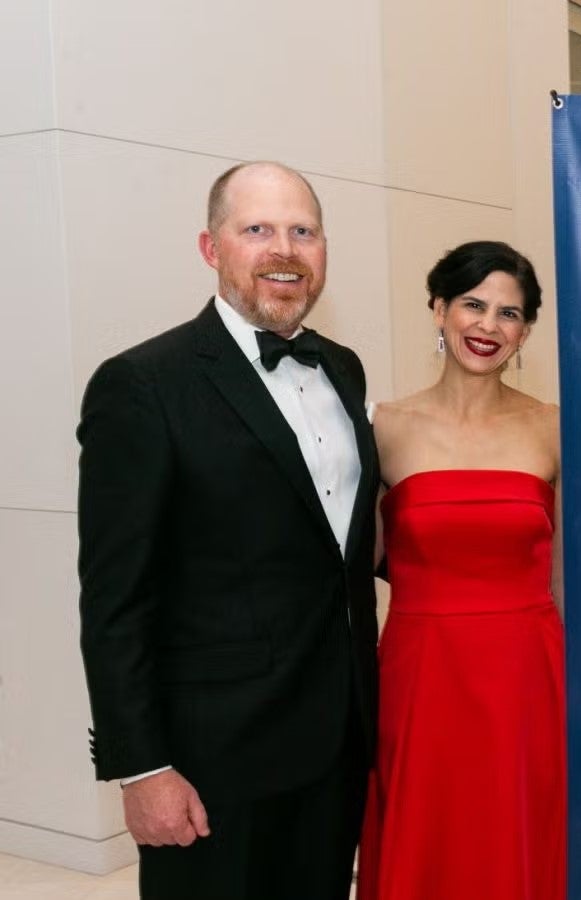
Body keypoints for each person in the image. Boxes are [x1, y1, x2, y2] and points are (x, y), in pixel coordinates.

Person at [77, 161, 380, 899]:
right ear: (212, 249)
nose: (285, 249)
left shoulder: (342, 368)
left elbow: (336, 548)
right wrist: (143, 767)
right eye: (258, 230)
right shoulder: (143, 385)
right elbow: (115, 599)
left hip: (337, 741)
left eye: (302, 231)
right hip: (212, 760)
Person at [357, 240, 564, 900]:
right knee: (431, 834)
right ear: (439, 309)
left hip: (527, 676)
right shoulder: (384, 426)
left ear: (526, 330)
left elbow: (567, 571)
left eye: (509, 313)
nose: (488, 326)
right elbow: (349, 568)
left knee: (518, 835)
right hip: (422, 674)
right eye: (473, 305)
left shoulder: (555, 428)